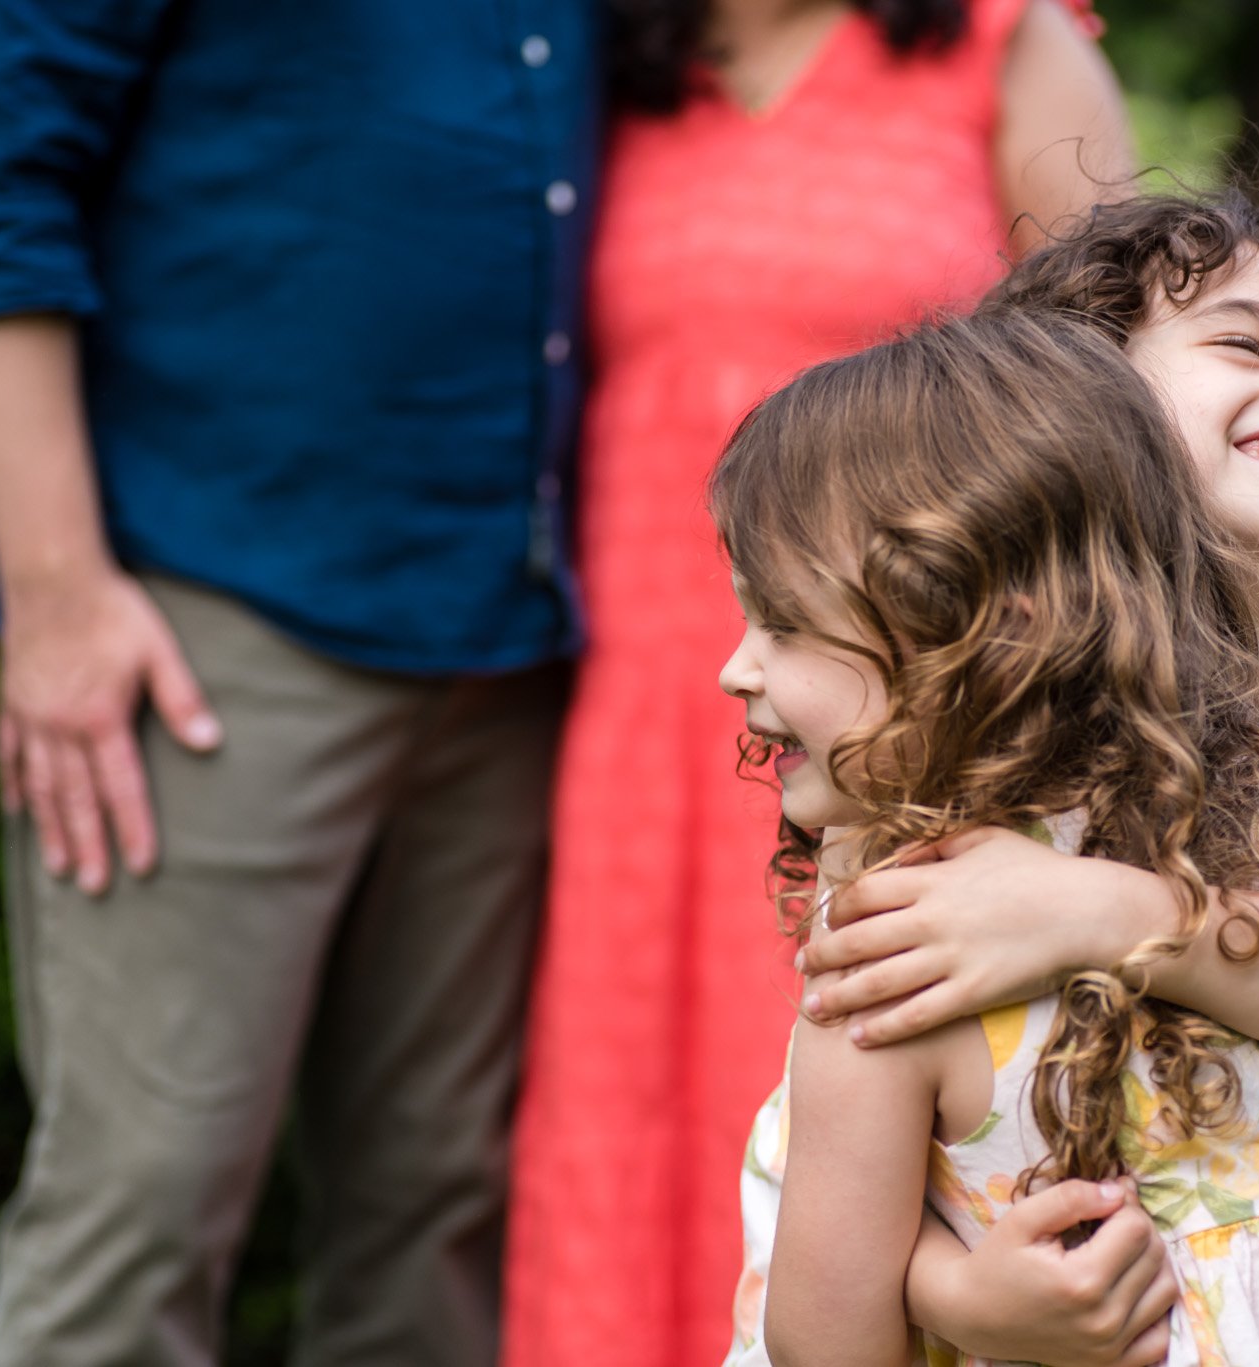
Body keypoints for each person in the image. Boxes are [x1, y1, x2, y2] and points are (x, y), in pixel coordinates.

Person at [0, 3, 594, 1361]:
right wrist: (56, 590)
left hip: (504, 639)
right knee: (138, 1211)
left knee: (436, 1220)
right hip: (204, 622)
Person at [723, 178, 1259, 1366]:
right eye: (1238, 342)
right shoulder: (929, 809)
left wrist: (1107, 909)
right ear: (1061, 410)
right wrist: (953, 1295)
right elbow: (830, 1287)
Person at [501, 2, 1134, 1361]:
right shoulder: (602, 65)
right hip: (644, 730)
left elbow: (1112, 397)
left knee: (874, 1048)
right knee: (624, 1125)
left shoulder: (1005, 40)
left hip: (912, 721)